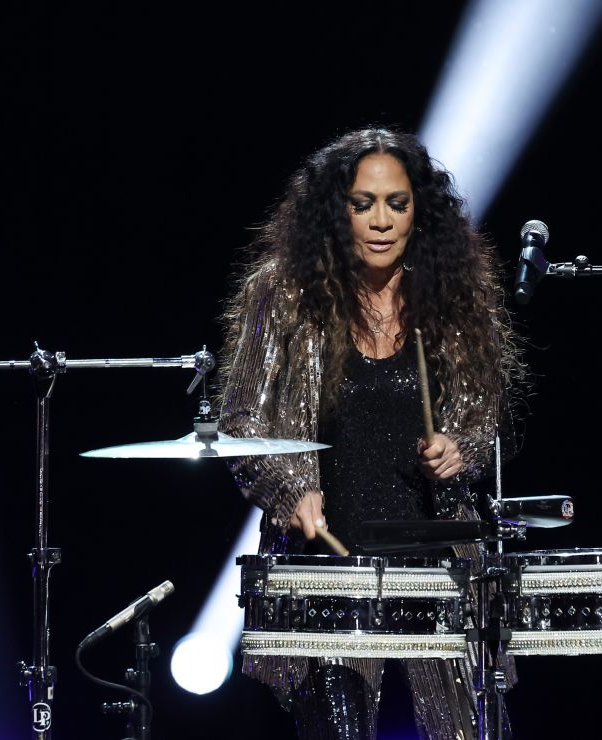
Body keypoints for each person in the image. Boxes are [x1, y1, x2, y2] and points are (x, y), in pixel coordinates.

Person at [216, 126, 525, 740]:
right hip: (331, 571)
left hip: (441, 574)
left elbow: (493, 422)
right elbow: (241, 422)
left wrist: (460, 445)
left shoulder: (455, 298)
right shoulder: (282, 295)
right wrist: (287, 491)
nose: (381, 221)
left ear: (418, 211)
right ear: (337, 212)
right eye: (363, 204)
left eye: (396, 203)